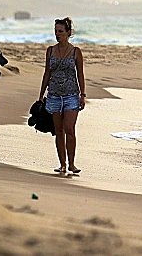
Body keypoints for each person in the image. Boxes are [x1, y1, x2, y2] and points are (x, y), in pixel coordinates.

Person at [38, 17, 86, 174]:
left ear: (69, 33)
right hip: (53, 95)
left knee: (69, 129)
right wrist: (41, 93)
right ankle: (62, 164)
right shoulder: (50, 50)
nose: (57, 34)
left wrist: (82, 94)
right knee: (58, 131)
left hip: (71, 95)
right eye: (56, 31)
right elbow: (47, 73)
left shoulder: (76, 52)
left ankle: (72, 164)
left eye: (60, 31)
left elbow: (80, 74)